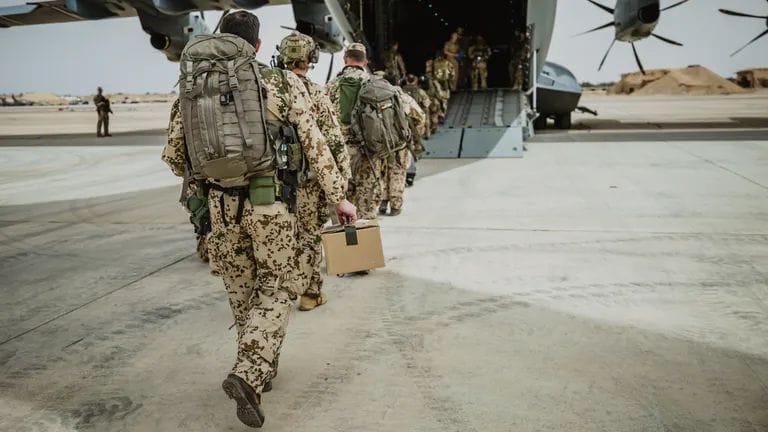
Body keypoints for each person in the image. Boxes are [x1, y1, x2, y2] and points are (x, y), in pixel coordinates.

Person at [162, 11, 356, 428]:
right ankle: (249, 374)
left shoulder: (192, 87)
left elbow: (176, 157)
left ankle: (260, 369)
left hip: (219, 207)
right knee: (279, 285)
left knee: (241, 289)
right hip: (269, 205)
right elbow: (316, 144)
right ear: (258, 45)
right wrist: (340, 198)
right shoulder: (281, 82)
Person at [276, 31, 352, 312]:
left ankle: (276, 292)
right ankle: (310, 293)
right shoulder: (315, 92)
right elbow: (332, 140)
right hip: (305, 184)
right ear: (311, 59)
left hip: (271, 182)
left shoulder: (269, 89)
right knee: (308, 237)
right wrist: (340, 185)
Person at [326, 43, 383, 220]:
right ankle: (368, 244)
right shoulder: (376, 85)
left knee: (342, 208)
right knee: (367, 208)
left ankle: (346, 244)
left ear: (345, 60)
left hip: (341, 154)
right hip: (370, 152)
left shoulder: (331, 85)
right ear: (365, 61)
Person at [379, 74, 426, 217]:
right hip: (400, 143)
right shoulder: (404, 98)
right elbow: (420, 116)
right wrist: (413, 134)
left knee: (383, 172)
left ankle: (382, 202)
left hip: (382, 142)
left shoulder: (378, 97)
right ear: (398, 82)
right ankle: (395, 206)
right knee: (398, 173)